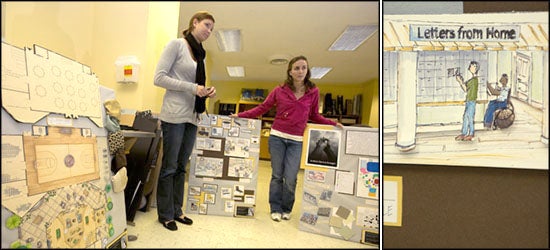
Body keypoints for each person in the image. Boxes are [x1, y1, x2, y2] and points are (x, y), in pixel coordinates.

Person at [231, 55, 343, 222]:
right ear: (290, 72)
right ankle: (275, 208)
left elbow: (314, 115)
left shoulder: (313, 92)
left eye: (303, 67)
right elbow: (263, 108)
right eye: (296, 68)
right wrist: (240, 115)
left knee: (290, 178)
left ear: (307, 70)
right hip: (277, 137)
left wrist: (333, 124)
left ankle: (286, 208)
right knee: (277, 175)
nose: (300, 71)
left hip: (296, 141)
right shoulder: (279, 90)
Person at [153, 11, 216, 231]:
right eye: (206, 25)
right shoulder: (176, 45)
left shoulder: (201, 55)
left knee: (181, 167)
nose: (209, 31)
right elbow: (158, 78)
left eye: (212, 29)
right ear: (194, 23)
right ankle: (165, 214)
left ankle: (177, 211)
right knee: (170, 167)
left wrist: (205, 92)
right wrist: (193, 88)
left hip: (192, 117)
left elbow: (194, 84)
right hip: (174, 115)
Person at [455, 61, 479, 141]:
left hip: (472, 101)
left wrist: (460, 81)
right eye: (472, 66)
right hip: (469, 100)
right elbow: (465, 86)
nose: (472, 67)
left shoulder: (474, 80)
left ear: (476, 68)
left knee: (470, 117)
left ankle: (471, 134)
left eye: (474, 66)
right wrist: (461, 80)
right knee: (465, 117)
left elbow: (465, 88)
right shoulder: (471, 79)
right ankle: (464, 133)